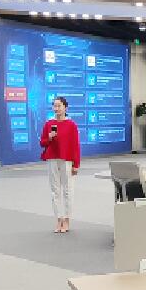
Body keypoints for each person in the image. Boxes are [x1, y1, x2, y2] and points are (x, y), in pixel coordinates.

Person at [40, 96, 81, 233]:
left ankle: (67, 220)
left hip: (67, 160)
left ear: (65, 108)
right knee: (55, 191)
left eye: (59, 106)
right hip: (52, 159)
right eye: (54, 106)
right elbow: (42, 143)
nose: (56, 108)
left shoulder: (71, 125)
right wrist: (49, 137)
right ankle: (59, 219)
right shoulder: (49, 124)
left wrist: (76, 164)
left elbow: (75, 146)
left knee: (68, 190)